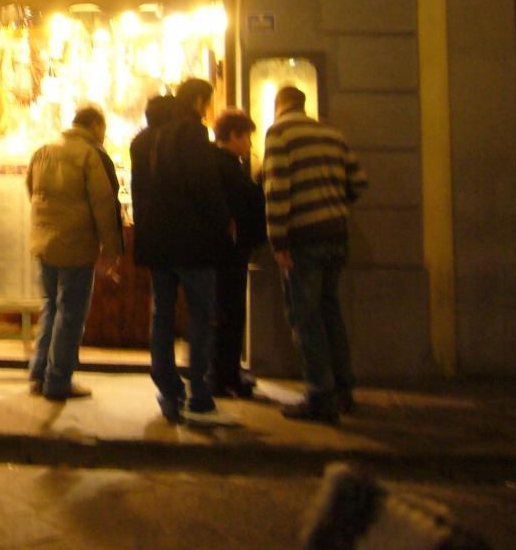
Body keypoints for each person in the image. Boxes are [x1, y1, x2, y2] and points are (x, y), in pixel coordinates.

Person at [130, 79, 237, 426]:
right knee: (201, 316)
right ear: (199, 101)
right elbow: (204, 184)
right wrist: (223, 221)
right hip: (192, 241)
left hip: (157, 243)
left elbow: (137, 194)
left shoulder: (141, 141)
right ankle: (199, 396)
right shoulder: (191, 133)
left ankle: (168, 391)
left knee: (161, 315)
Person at [263, 86, 368, 423]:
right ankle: (343, 390)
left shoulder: (279, 134)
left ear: (278, 106)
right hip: (336, 235)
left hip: (303, 240)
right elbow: (359, 182)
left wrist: (278, 241)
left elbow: (277, 189)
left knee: (305, 318)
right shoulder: (332, 134)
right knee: (330, 311)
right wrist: (332, 204)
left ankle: (320, 396)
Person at [26, 105, 123, 401]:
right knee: (70, 313)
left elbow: (31, 189)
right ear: (96, 126)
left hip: (44, 243)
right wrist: (111, 248)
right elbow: (104, 205)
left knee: (51, 308)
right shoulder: (90, 155)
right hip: (76, 245)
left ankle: (39, 373)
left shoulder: (44, 149)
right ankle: (58, 380)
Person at [209, 108, 266, 399]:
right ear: (233, 135)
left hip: (223, 251)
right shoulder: (226, 167)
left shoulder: (217, 164)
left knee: (223, 314)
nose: (250, 144)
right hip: (228, 252)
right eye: (247, 137)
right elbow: (245, 204)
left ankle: (223, 374)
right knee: (228, 314)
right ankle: (224, 377)